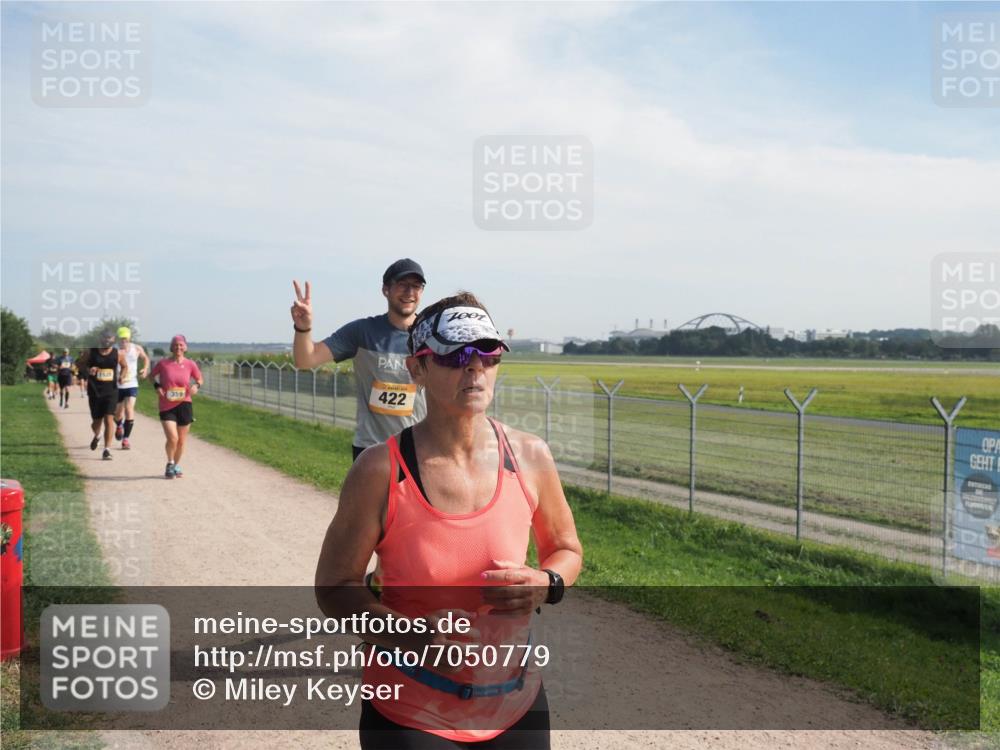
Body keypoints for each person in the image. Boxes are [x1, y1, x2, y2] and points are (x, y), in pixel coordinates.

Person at [315, 292, 583, 749]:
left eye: (488, 353)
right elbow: (335, 587)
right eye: (455, 355)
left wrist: (546, 583)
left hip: (515, 702)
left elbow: (566, 548)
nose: (474, 368)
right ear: (417, 368)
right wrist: (409, 635)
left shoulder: (531, 455)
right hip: (410, 709)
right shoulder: (381, 470)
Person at [291, 259, 428, 461]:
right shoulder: (362, 332)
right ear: (385, 289)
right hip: (371, 449)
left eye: (416, 286)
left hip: (419, 448)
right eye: (402, 284)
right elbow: (306, 360)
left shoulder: (431, 334)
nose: (409, 292)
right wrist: (303, 328)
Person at [150, 335, 203, 479]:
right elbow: (151, 376)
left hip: (185, 404)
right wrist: (157, 386)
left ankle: (176, 464)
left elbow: (199, 378)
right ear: (171, 347)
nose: (178, 347)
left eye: (181, 345)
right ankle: (170, 463)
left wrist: (196, 386)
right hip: (167, 405)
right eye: (175, 345)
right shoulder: (163, 363)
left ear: (185, 347)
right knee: (172, 438)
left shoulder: (190, 364)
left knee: (181, 441)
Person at [78, 331, 129, 461]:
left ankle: (107, 449)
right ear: (100, 339)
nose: (107, 341)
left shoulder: (118, 354)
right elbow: (79, 364)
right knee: (96, 423)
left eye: (110, 338)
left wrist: (122, 377)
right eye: (105, 338)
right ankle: (98, 434)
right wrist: (89, 370)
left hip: (111, 391)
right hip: (94, 391)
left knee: (109, 419)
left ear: (113, 340)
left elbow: (124, 367)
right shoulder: (91, 352)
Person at [113, 327, 150, 450]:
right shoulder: (114, 350)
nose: (123, 341)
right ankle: (119, 425)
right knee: (117, 414)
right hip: (118, 385)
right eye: (121, 339)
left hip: (132, 384)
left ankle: (126, 439)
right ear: (118, 339)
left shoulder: (137, 348)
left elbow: (146, 358)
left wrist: (145, 369)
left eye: (125, 338)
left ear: (129, 338)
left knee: (129, 409)